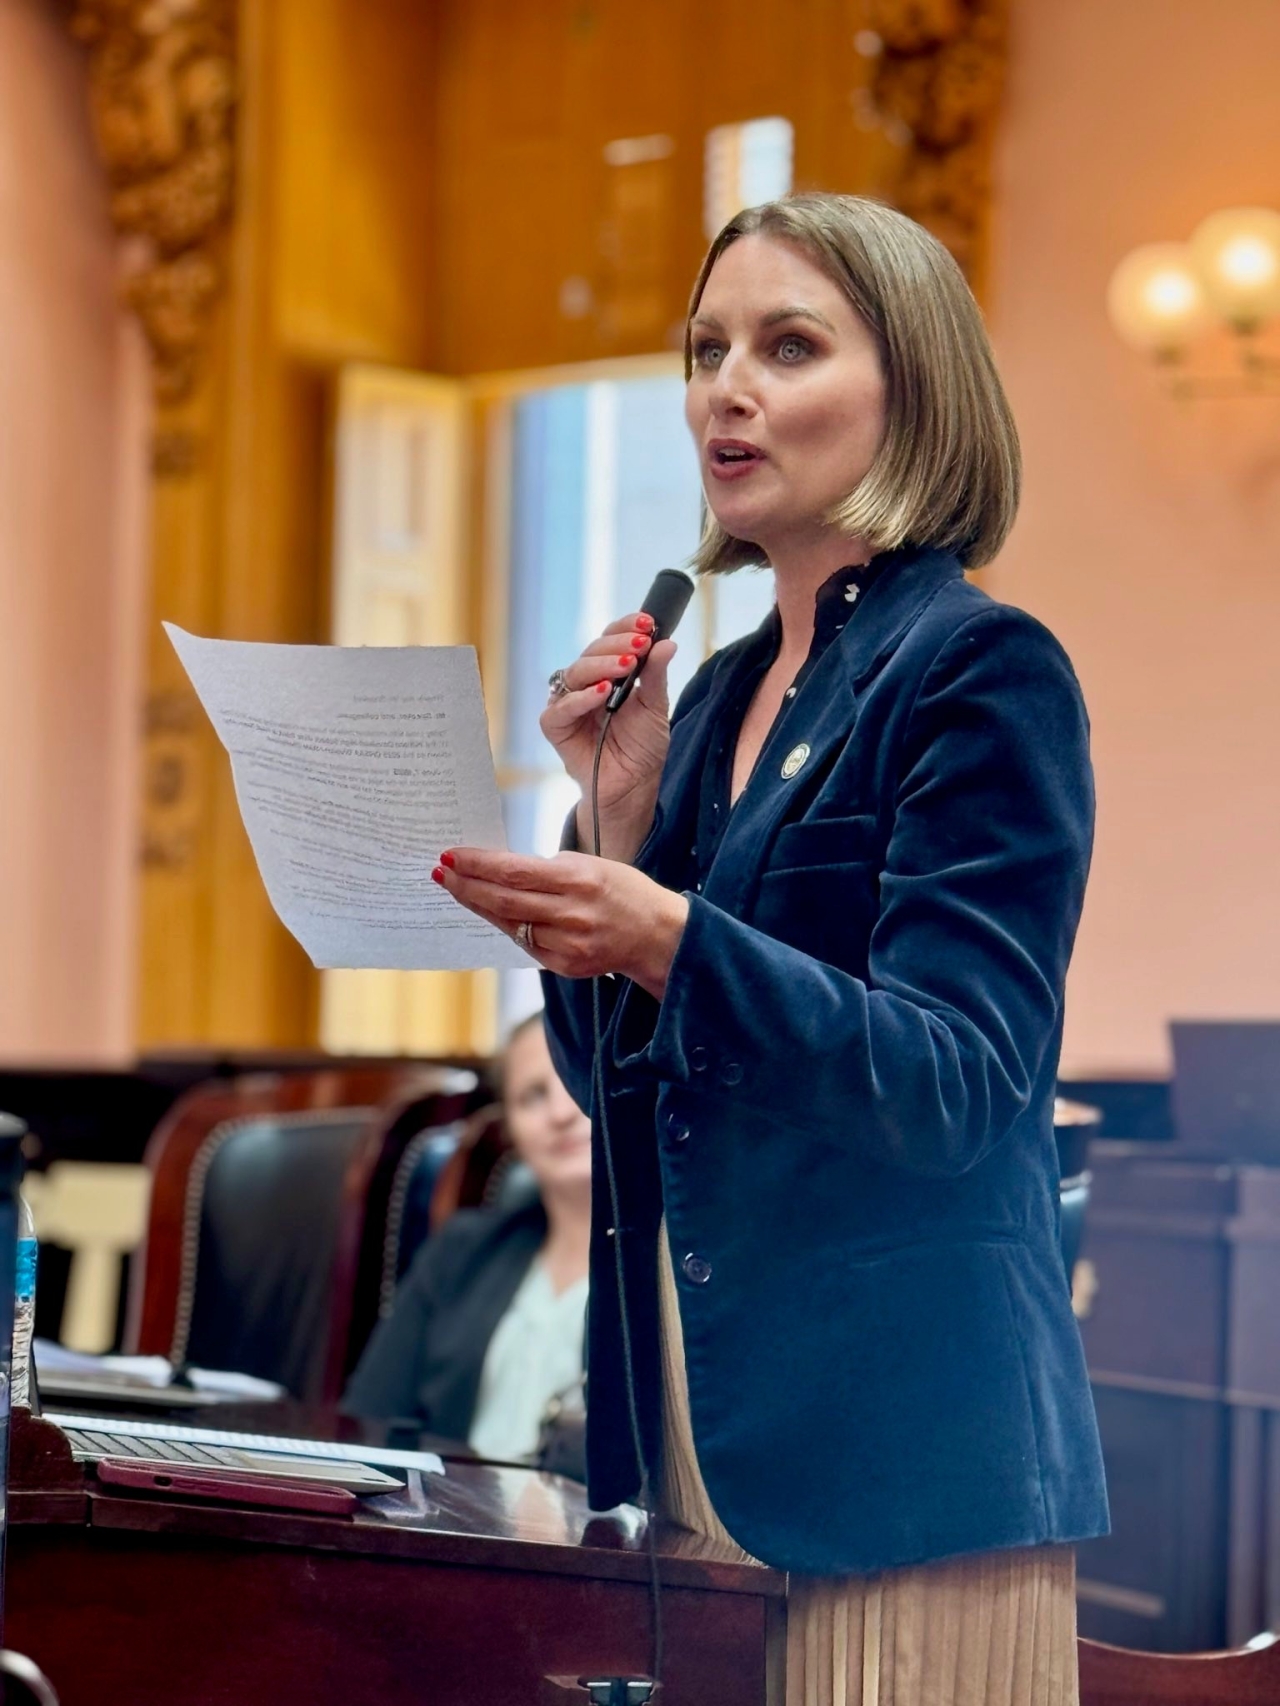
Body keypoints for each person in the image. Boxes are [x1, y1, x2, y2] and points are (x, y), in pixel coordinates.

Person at [432, 193, 1107, 1704]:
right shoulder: (723, 692)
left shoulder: (978, 666)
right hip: (698, 1409)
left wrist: (668, 928)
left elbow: (958, 1080)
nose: (725, 388)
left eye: (787, 346)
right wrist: (614, 831)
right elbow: (629, 1083)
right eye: (706, 348)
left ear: (914, 393)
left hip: (900, 1460)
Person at [343, 1012, 590, 1464]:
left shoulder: (684, 1270)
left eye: (578, 1079)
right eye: (533, 1095)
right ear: (510, 1126)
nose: (560, 1112)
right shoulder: (462, 1251)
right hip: (447, 1518)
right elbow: (368, 1419)